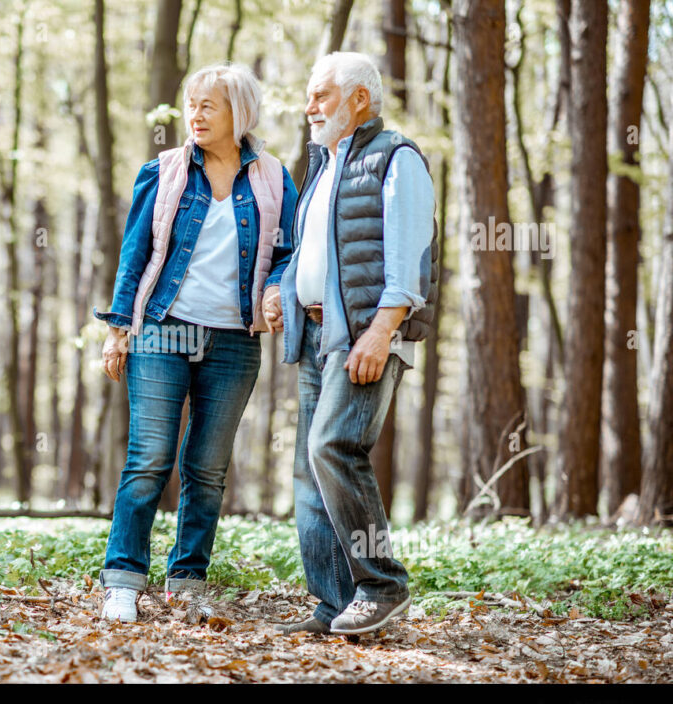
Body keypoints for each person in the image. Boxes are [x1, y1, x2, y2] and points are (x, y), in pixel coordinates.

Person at [92, 63, 299, 624]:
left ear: (240, 112)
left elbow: (288, 251)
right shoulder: (164, 172)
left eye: (209, 104)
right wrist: (117, 330)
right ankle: (123, 581)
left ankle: (187, 580)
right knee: (150, 458)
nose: (196, 114)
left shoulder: (276, 179)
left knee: (207, 469)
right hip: (161, 329)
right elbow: (135, 253)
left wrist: (278, 290)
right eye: (191, 103)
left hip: (234, 340)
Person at [269, 52, 438, 635]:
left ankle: (382, 584)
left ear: (358, 99)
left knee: (333, 447)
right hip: (316, 332)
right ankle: (334, 602)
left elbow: (410, 260)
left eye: (320, 95)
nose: (307, 106)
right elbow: (309, 252)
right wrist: (284, 292)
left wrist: (381, 331)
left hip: (365, 332)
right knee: (309, 469)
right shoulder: (326, 165)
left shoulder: (396, 158)